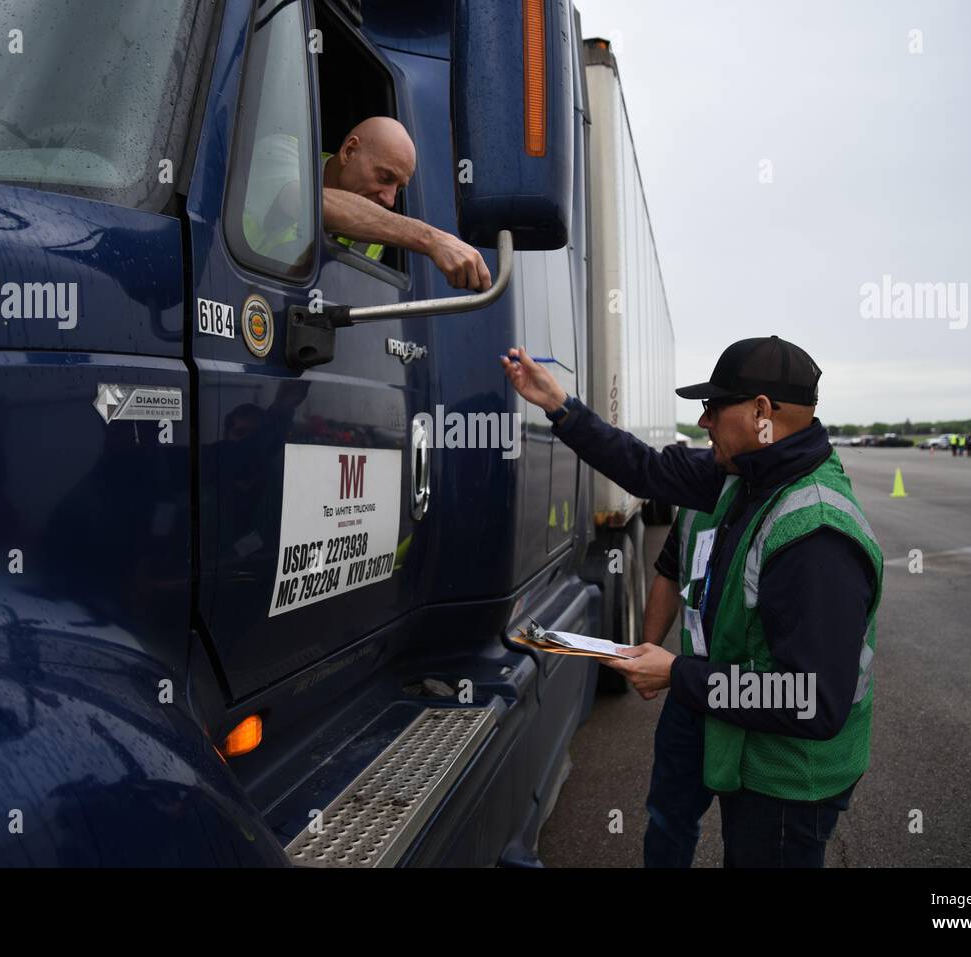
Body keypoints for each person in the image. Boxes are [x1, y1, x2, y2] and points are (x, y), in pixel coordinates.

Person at [501, 336, 882, 868]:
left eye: (713, 407)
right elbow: (645, 468)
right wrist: (560, 407)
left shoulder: (815, 534)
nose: (703, 421)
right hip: (740, 730)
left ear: (762, 412)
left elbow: (810, 697)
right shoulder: (747, 475)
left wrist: (677, 675)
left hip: (789, 780)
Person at [244, 117, 491, 290]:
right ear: (349, 151)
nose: (389, 200)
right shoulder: (282, 153)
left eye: (399, 189)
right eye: (385, 178)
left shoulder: (373, 237)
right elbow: (301, 201)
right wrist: (431, 239)